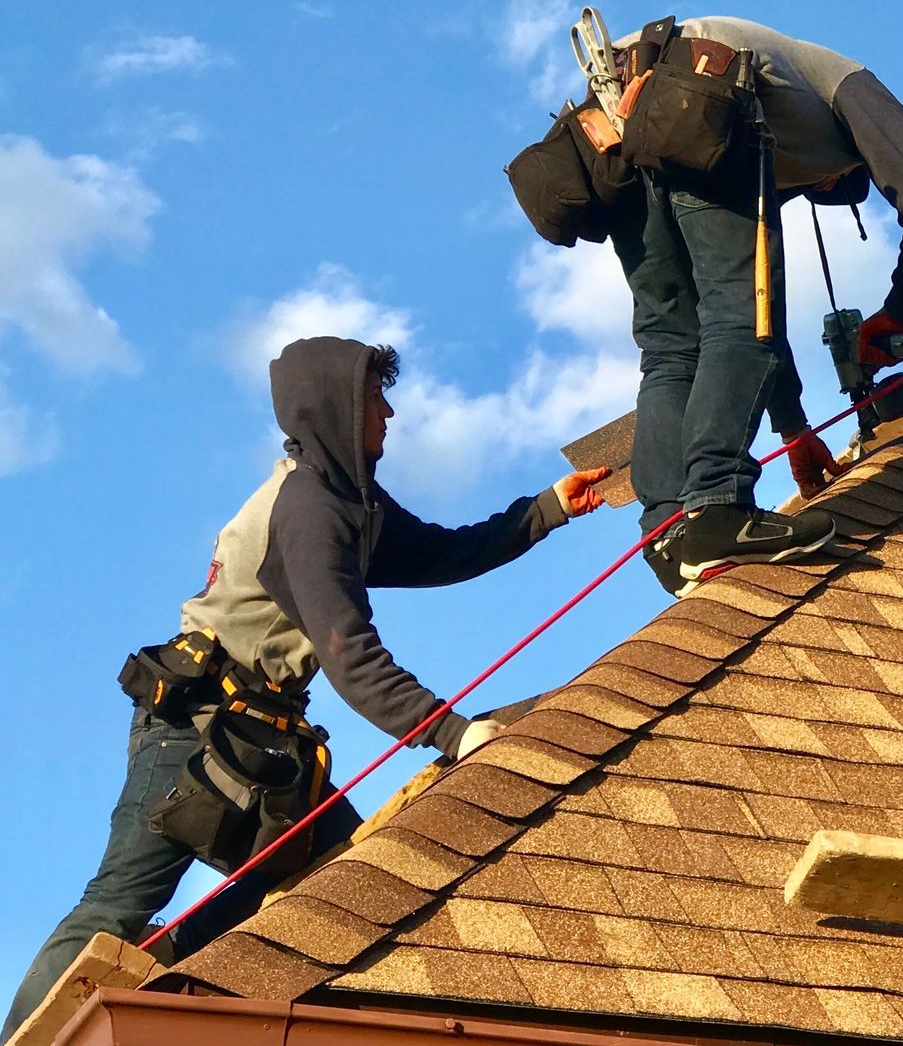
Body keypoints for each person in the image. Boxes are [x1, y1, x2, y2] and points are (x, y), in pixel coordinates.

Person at [4, 336, 610, 1035]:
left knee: (335, 874)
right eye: (376, 396)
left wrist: (546, 509)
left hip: (261, 739)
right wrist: (455, 733)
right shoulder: (308, 511)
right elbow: (349, 654)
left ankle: (173, 965)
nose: (389, 411)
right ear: (337, 407)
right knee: (116, 905)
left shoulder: (348, 501)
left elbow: (441, 552)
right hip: (193, 733)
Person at [605, 15, 903, 587]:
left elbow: (746, 308)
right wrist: (900, 312)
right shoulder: (850, 85)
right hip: (693, 92)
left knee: (673, 345)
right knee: (736, 318)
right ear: (845, 166)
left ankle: (673, 535)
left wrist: (793, 430)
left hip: (611, 118)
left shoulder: (781, 114)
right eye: (824, 181)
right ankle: (716, 505)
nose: (814, 189)